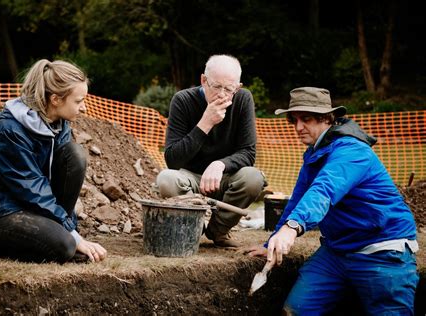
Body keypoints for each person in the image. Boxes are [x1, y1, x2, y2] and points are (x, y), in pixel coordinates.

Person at [248, 87, 419, 314]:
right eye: (294, 120)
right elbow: (298, 199)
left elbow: (325, 189)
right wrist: (271, 243)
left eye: (306, 119)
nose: (298, 127)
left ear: (327, 118)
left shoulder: (352, 150)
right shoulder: (314, 153)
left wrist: (292, 228)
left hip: (382, 251)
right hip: (336, 252)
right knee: (295, 310)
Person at [0, 59, 107, 263]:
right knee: (65, 247)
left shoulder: (58, 125)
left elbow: (53, 185)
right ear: (55, 99)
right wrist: (71, 236)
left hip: (24, 203)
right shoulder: (8, 131)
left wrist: (70, 228)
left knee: (75, 155)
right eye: (79, 100)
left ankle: (57, 235)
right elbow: (31, 187)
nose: (84, 108)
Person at [156, 54, 266, 248]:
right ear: (203, 80)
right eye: (216, 87)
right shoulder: (182, 100)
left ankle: (218, 230)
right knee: (166, 179)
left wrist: (220, 164)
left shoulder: (242, 99)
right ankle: (193, 228)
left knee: (253, 178)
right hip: (189, 178)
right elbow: (172, 160)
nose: (222, 94)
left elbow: (248, 153)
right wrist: (205, 123)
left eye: (229, 89)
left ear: (237, 87)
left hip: (226, 177)